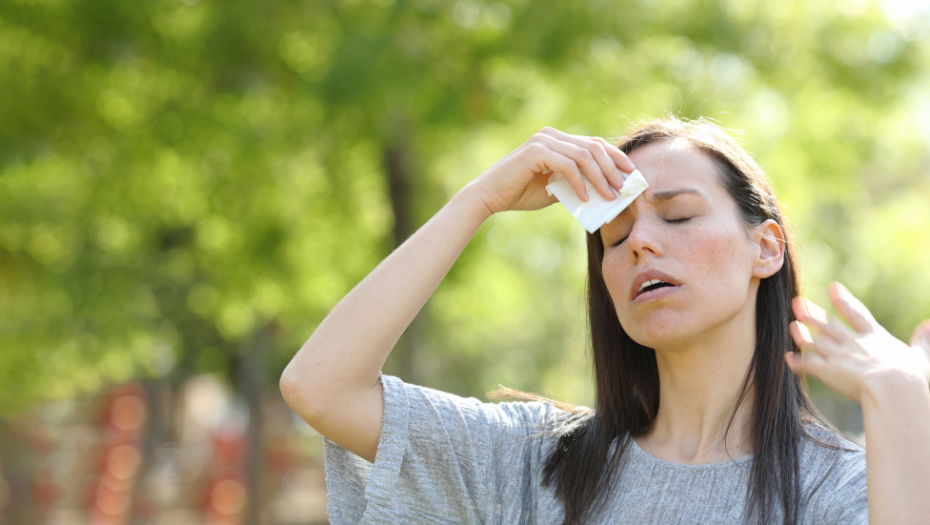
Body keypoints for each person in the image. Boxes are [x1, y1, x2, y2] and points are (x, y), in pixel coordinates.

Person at [280, 117, 930, 524]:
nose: (640, 243)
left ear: (765, 246)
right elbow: (321, 386)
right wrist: (481, 199)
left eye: (676, 216)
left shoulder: (843, 489)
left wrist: (904, 400)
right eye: (614, 237)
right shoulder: (538, 464)